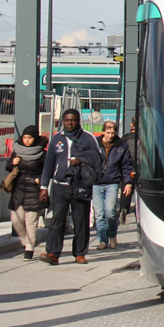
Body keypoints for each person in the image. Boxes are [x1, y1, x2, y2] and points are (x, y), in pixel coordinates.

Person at [39, 109, 103, 265]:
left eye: (73, 120)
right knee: (57, 220)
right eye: (67, 120)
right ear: (63, 120)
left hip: (80, 185)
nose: (70, 123)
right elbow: (49, 164)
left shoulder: (88, 139)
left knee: (80, 221)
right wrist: (43, 186)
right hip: (60, 186)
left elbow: (98, 158)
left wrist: (81, 160)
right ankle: (53, 253)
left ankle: (80, 253)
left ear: (78, 121)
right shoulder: (56, 139)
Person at [6, 125, 48, 261]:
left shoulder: (41, 153)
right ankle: (25, 242)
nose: (27, 140)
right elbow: (7, 167)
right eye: (25, 138)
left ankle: (29, 249)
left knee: (31, 222)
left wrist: (40, 180)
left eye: (30, 138)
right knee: (16, 219)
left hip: (34, 191)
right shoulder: (17, 150)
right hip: (18, 190)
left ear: (35, 138)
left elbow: (48, 170)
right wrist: (13, 162)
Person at [93, 121, 134, 250]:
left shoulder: (121, 146)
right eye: (108, 132)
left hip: (112, 181)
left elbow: (127, 166)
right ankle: (102, 240)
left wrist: (128, 183)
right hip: (96, 182)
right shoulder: (95, 144)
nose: (110, 135)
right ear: (103, 132)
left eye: (112, 133)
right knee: (99, 213)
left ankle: (112, 235)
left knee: (110, 211)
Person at [118, 116, 137, 224]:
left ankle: (123, 208)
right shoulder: (145, 136)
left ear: (131, 125)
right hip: (141, 167)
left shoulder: (125, 138)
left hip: (127, 167)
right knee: (139, 192)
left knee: (126, 190)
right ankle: (137, 212)